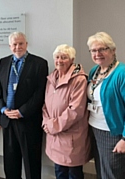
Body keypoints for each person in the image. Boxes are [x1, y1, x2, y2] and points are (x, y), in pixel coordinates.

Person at [0, 31, 48, 179]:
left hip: (28, 120)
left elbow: (40, 92)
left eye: (21, 43)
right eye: (14, 44)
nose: (18, 47)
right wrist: (3, 109)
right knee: (10, 162)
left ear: (26, 44)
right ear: (10, 46)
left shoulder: (39, 63)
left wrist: (22, 111)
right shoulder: (3, 62)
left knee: (32, 162)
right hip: (8, 120)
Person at [87, 32, 125, 179]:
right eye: (93, 50)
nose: (97, 53)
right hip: (95, 128)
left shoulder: (124, 73)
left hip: (114, 134)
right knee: (101, 172)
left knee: (115, 174)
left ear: (113, 50)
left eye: (102, 49)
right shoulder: (94, 71)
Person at [42, 44, 91, 179]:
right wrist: (46, 122)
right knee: (59, 171)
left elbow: (75, 111)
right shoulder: (52, 78)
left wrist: (52, 126)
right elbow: (45, 105)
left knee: (73, 173)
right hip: (54, 135)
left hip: (71, 136)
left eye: (64, 57)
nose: (59, 61)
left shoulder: (79, 79)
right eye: (57, 57)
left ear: (72, 60)